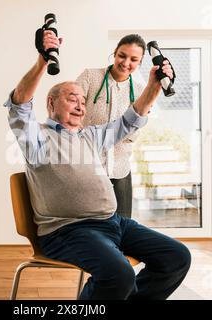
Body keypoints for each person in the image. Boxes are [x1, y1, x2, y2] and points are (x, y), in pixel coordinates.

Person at [4, 30, 191, 300]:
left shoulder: (89, 135)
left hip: (113, 223)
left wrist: (153, 85)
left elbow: (131, 119)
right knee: (120, 274)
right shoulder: (37, 137)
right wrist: (43, 61)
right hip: (68, 231)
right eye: (72, 99)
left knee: (177, 257)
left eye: (83, 101)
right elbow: (19, 105)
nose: (80, 106)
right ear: (50, 102)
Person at [76, 34, 148, 218]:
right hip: (88, 165)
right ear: (114, 53)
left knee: (123, 224)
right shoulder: (90, 77)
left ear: (140, 62)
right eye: (122, 55)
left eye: (133, 59)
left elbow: (134, 134)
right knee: (89, 223)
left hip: (120, 168)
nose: (126, 63)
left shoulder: (140, 91)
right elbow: (71, 111)